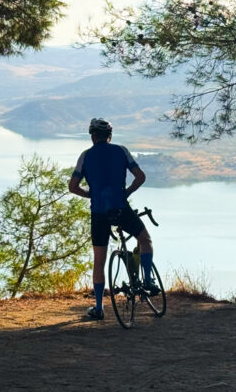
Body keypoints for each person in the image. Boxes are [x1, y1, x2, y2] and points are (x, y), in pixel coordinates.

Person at [69, 117, 156, 320]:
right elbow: (140, 177)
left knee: (99, 261)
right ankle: (148, 282)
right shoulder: (121, 151)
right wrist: (126, 193)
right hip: (121, 209)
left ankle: (99, 308)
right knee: (145, 239)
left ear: (92, 136)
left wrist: (90, 194)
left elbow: (73, 187)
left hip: (98, 213)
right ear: (110, 136)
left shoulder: (85, 156)